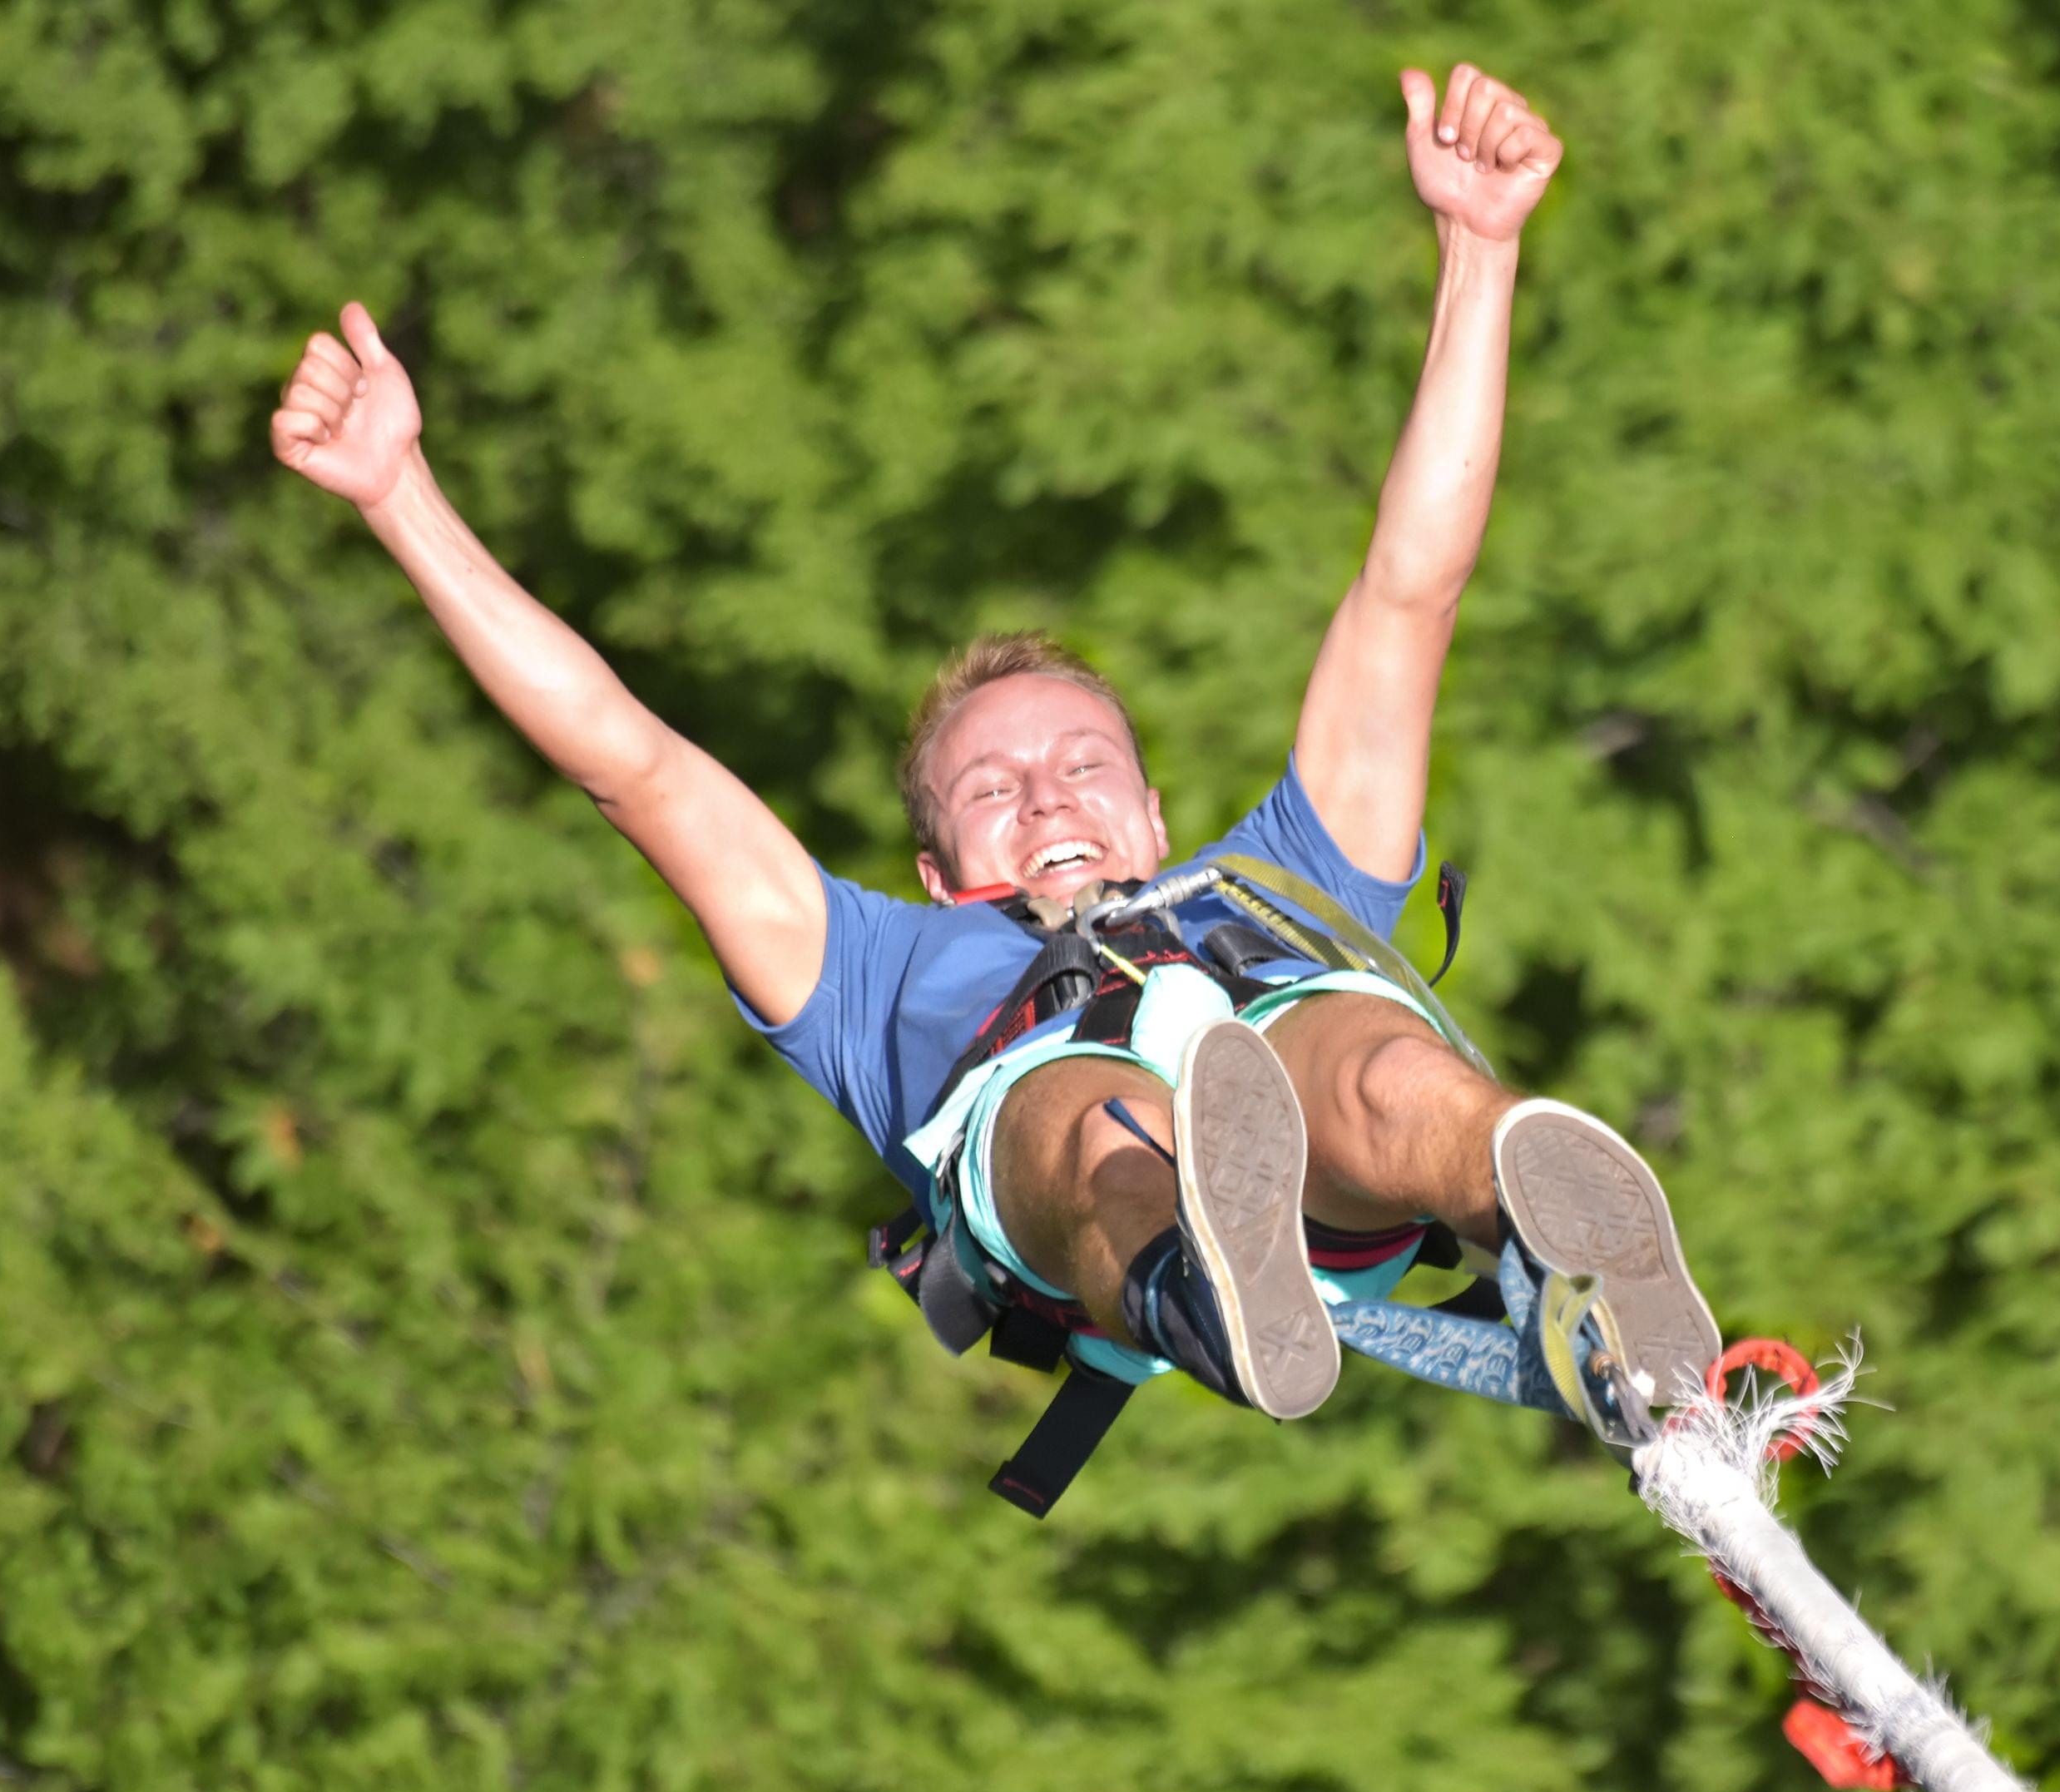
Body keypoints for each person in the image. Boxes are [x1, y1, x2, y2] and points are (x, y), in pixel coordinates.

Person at [270, 62, 1716, 1433]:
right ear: (933, 860)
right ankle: (1207, 1287)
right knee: (1100, 1126)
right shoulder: (872, 976)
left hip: (1311, 1105)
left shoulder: (1282, 873)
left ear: (1152, 811)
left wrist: (1480, 254)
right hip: (1088, 1187)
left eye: (1084, 766)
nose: (1047, 799)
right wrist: (401, 496)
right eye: (994, 788)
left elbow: (1411, 591)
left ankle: (1538, 1201)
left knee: (1388, 1082)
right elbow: (629, 761)